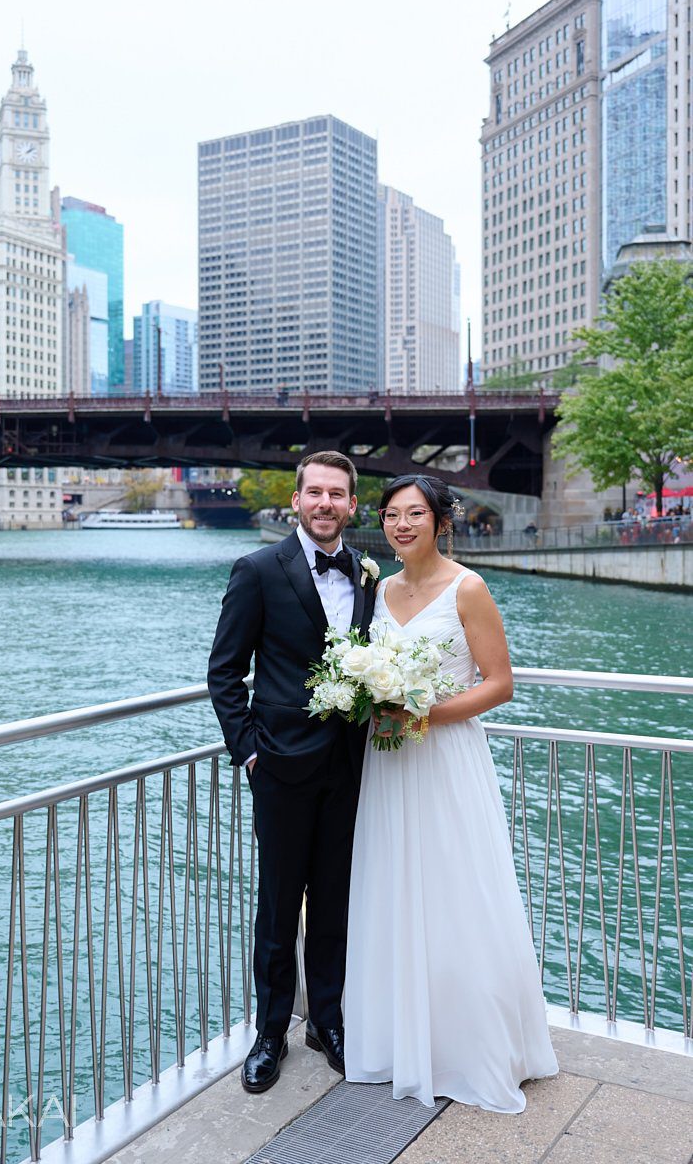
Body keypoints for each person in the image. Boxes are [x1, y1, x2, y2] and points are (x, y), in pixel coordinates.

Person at [343, 473, 558, 1113]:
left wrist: (424, 714)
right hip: (389, 765)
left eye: (415, 514)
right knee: (391, 890)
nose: (401, 524)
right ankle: (395, 1040)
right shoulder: (378, 590)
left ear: (441, 522)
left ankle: (470, 1048)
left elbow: (499, 684)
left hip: (444, 757)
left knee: (456, 892)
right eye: (390, 515)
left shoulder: (470, 587)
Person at [207, 451, 377, 1093]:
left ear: (351, 505)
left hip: (350, 764)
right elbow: (224, 671)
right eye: (315, 493)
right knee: (279, 906)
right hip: (278, 765)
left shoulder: (366, 576)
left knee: (335, 900)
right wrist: (248, 748)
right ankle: (271, 1032)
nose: (326, 504)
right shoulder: (257, 569)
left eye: (338, 494)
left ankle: (327, 1022)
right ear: (297, 501)